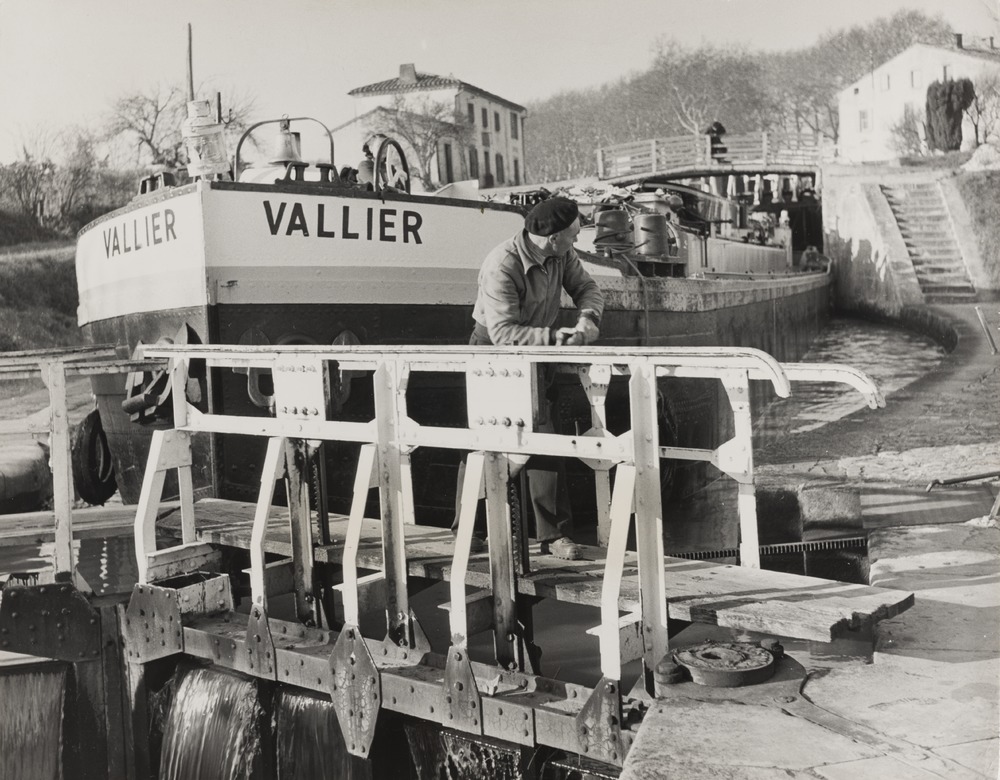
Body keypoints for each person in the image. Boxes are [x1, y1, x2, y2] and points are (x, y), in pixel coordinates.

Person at [455, 197, 604, 560]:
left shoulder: (561, 255)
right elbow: (504, 332)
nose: (578, 239)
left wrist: (588, 320)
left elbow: (587, 288)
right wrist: (558, 339)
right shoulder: (502, 265)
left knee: (544, 436)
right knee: (485, 437)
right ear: (552, 238)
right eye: (574, 234)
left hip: (537, 351)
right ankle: (468, 528)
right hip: (493, 352)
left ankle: (553, 535)